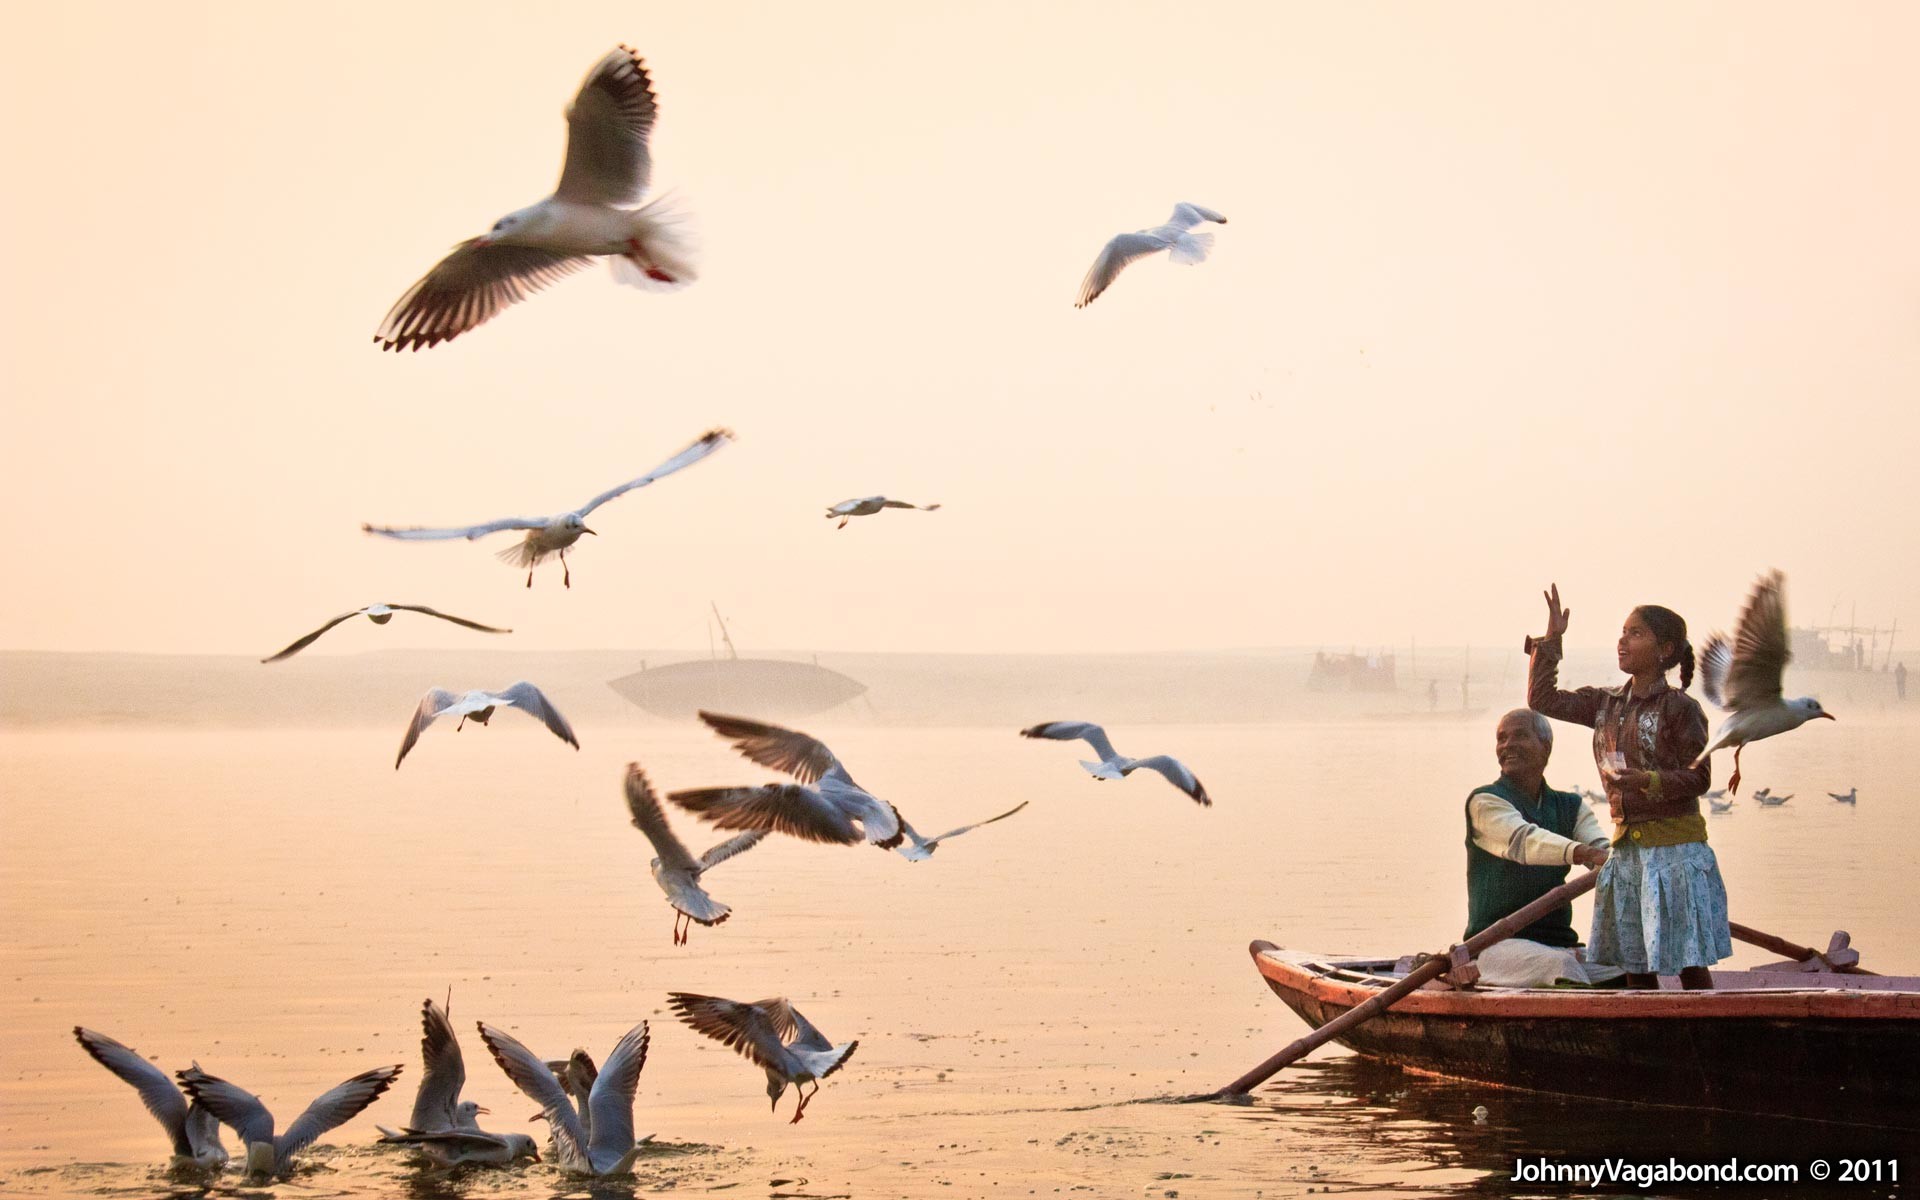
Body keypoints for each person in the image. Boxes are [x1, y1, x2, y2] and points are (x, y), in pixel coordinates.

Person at [1525, 584, 1730, 990]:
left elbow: (1700, 778)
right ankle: (1645, 1032)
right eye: (1623, 631)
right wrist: (1551, 640)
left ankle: (1705, 1034)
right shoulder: (1605, 704)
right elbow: (1542, 700)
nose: (1623, 640)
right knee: (1635, 964)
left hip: (1676, 855)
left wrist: (1648, 781)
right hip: (1628, 854)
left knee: (1689, 964)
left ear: (1665, 650)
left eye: (1636, 633)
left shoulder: (1681, 708)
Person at [1465, 709, 1621, 987]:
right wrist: (1583, 853)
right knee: (1559, 966)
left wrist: (1620, 862)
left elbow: (1602, 850)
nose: (1508, 745)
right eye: (1501, 739)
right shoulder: (1485, 802)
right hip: (1495, 946)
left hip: (1559, 944)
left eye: (1520, 736)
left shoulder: (1570, 806)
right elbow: (1526, 841)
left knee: (1631, 963)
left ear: (1545, 748)